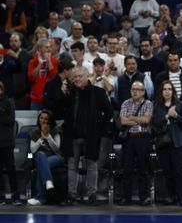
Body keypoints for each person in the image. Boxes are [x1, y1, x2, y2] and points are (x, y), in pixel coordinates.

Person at [58, 67, 113, 205]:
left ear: (87, 76)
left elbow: (109, 112)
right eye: (74, 77)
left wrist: (98, 128)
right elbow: (57, 108)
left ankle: (92, 195)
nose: (76, 79)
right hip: (72, 136)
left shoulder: (98, 92)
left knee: (92, 166)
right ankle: (72, 195)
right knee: (72, 166)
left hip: (91, 136)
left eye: (80, 76)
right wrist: (63, 94)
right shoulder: (70, 93)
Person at [152, 80, 182, 206]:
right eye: (164, 89)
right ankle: (170, 195)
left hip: (178, 142)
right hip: (162, 142)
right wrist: (167, 116)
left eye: (169, 89)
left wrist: (176, 116)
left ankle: (181, 196)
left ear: (173, 91)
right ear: (161, 92)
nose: (167, 92)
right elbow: (155, 123)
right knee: (167, 170)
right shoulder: (156, 105)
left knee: (177, 170)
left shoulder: (180, 104)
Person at [118, 81, 153, 206]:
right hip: (129, 138)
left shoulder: (148, 103)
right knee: (126, 169)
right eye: (133, 89)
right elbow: (123, 121)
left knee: (143, 169)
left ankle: (144, 198)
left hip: (143, 138)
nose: (135, 91)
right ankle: (125, 198)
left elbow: (147, 120)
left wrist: (131, 117)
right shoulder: (126, 103)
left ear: (143, 92)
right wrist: (138, 120)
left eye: (138, 89)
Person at [27, 109, 64, 206]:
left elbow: (57, 149)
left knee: (42, 164)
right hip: (40, 157)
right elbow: (32, 150)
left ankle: (41, 197)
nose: (43, 120)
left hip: (56, 157)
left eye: (46, 119)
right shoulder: (34, 132)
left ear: (50, 120)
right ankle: (48, 181)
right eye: (41, 118)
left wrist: (48, 136)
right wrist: (40, 139)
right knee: (40, 155)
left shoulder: (55, 130)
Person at [0, 81, 21, 205]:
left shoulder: (8, 102)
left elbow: (10, 120)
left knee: (10, 168)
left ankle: (15, 194)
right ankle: (1, 195)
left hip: (6, 141)